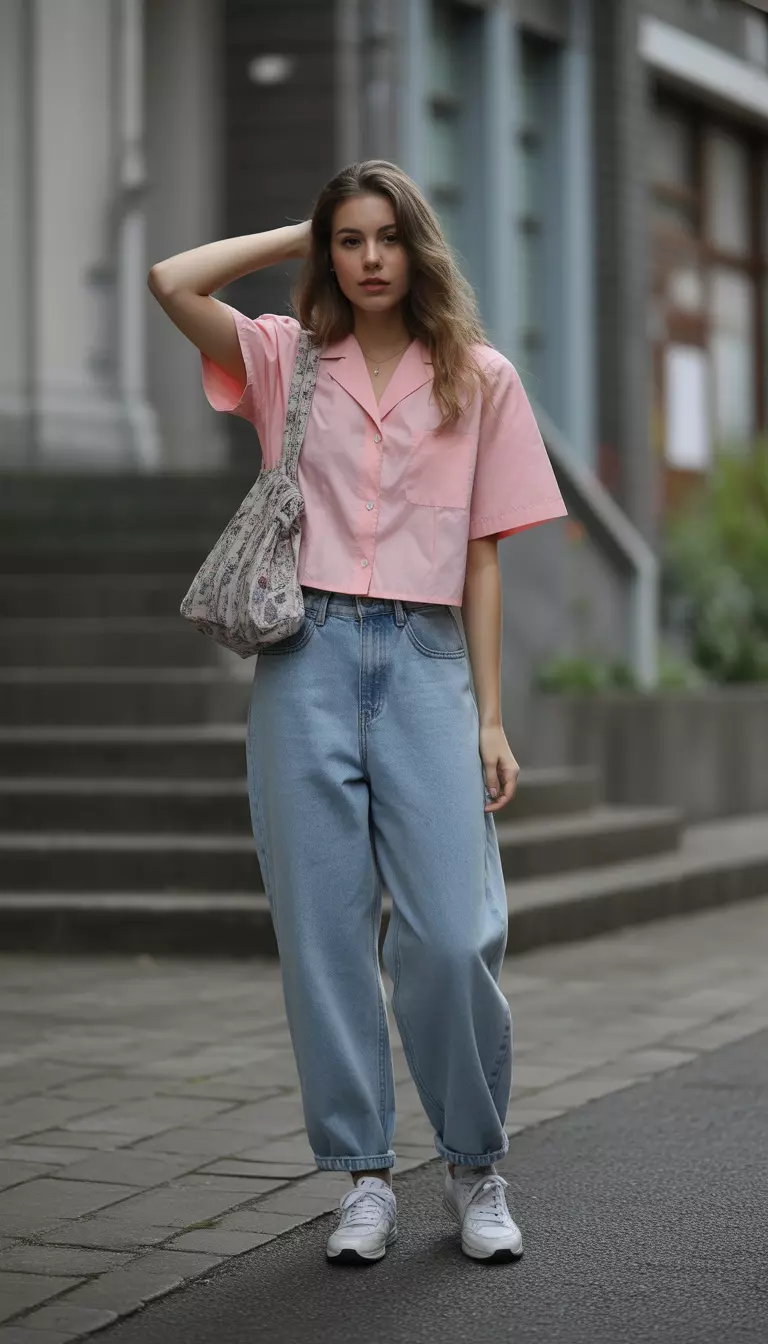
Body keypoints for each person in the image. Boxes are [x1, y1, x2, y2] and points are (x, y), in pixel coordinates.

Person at [148, 159, 567, 1266]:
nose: (370, 258)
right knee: (323, 936)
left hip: (427, 661)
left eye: (388, 237)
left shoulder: (479, 378)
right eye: (350, 240)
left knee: (453, 931)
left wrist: (486, 714)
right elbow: (170, 280)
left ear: (417, 246)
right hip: (307, 657)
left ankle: (476, 1166)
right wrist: (297, 228)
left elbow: (483, 559)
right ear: (328, 251)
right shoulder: (289, 359)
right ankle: (363, 1177)